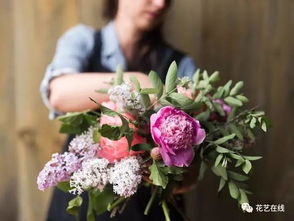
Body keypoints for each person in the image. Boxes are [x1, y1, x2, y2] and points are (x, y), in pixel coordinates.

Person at [40, 0, 196, 220]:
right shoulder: (84, 41)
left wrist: (165, 168)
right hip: (82, 208)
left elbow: (190, 177)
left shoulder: (181, 65)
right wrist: (135, 81)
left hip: (150, 211)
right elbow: (58, 94)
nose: (160, 4)